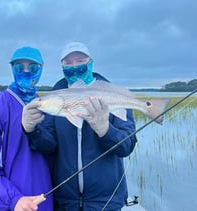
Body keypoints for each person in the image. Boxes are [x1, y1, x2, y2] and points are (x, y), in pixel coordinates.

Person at [22, 42, 137, 211]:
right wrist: (31, 130)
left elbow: (127, 146)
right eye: (68, 63)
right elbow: (49, 145)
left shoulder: (114, 94)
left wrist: (105, 130)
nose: (74, 66)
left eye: (80, 60)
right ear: (62, 66)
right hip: (66, 202)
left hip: (106, 201)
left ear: (90, 62)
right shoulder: (56, 98)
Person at [0, 46, 53, 211]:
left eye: (33, 68)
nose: (26, 72)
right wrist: (13, 199)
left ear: (41, 70)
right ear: (12, 69)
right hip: (10, 205)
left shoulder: (45, 106)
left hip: (43, 202)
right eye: (20, 67)